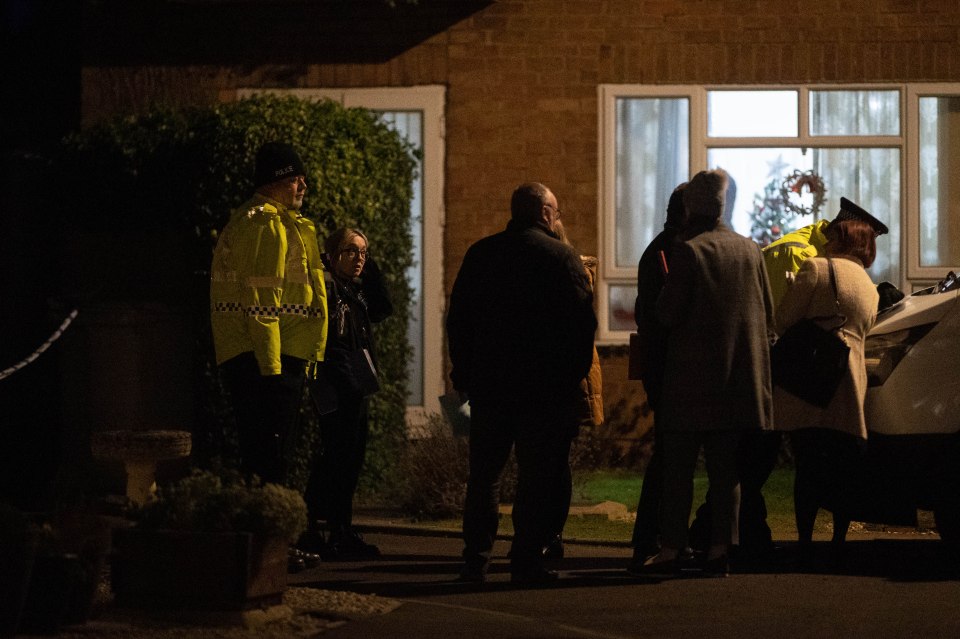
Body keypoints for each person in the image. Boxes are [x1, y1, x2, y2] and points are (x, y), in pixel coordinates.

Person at [446, 182, 598, 584]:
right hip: (543, 392)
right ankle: (525, 562)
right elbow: (583, 328)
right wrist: (569, 377)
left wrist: (463, 373)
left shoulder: (481, 254)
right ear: (546, 213)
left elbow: (458, 319)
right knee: (536, 479)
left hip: (491, 386)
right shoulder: (562, 258)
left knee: (484, 479)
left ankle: (475, 561)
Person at [644, 169, 775, 577]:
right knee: (726, 472)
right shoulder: (750, 250)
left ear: (689, 208)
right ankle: (721, 549)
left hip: (690, 381)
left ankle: (671, 550)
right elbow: (766, 311)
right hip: (736, 381)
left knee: (679, 471)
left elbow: (667, 313)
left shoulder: (688, 252)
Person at [210, 141, 327, 572]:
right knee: (269, 457)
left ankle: (268, 547)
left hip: (269, 359)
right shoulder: (266, 225)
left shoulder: (276, 222)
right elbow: (263, 302)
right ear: (278, 179)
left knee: (266, 455)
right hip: (267, 363)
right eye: (296, 176)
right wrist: (273, 369)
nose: (303, 184)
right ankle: (271, 550)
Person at [771, 218, 879, 567]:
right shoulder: (870, 287)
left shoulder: (816, 268)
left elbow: (783, 319)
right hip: (848, 383)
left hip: (811, 378)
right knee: (841, 466)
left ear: (842, 240)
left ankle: (804, 541)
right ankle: (838, 541)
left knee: (808, 464)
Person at [301, 227, 393, 560]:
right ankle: (323, 528)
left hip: (352, 387)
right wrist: (349, 388)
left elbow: (383, 307)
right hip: (337, 389)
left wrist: (368, 264)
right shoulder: (328, 289)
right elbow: (331, 346)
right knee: (336, 458)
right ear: (332, 254)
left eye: (364, 253)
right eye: (351, 252)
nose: (359, 260)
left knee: (346, 459)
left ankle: (330, 527)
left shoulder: (353, 291)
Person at [628, 183, 687, 570]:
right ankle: (650, 540)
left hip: (662, 368)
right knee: (668, 457)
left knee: (669, 456)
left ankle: (653, 539)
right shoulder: (667, 252)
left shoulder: (662, 248)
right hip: (670, 369)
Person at [543, 220, 604, 563]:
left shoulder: (572, 272)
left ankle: (550, 534)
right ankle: (550, 534)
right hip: (566, 380)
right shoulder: (572, 272)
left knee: (550, 460)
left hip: (561, 381)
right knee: (554, 460)